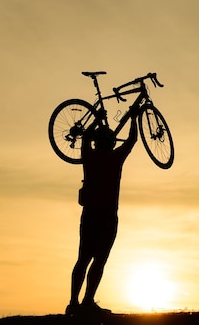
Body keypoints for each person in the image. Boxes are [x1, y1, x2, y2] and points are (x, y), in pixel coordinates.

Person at [66, 106, 139, 316]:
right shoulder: (115, 158)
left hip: (89, 215)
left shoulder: (89, 156)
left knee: (83, 258)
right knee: (99, 260)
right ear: (111, 143)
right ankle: (87, 301)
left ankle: (74, 303)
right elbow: (132, 140)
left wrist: (97, 119)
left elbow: (86, 137)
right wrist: (134, 118)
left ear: (97, 142)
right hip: (107, 216)